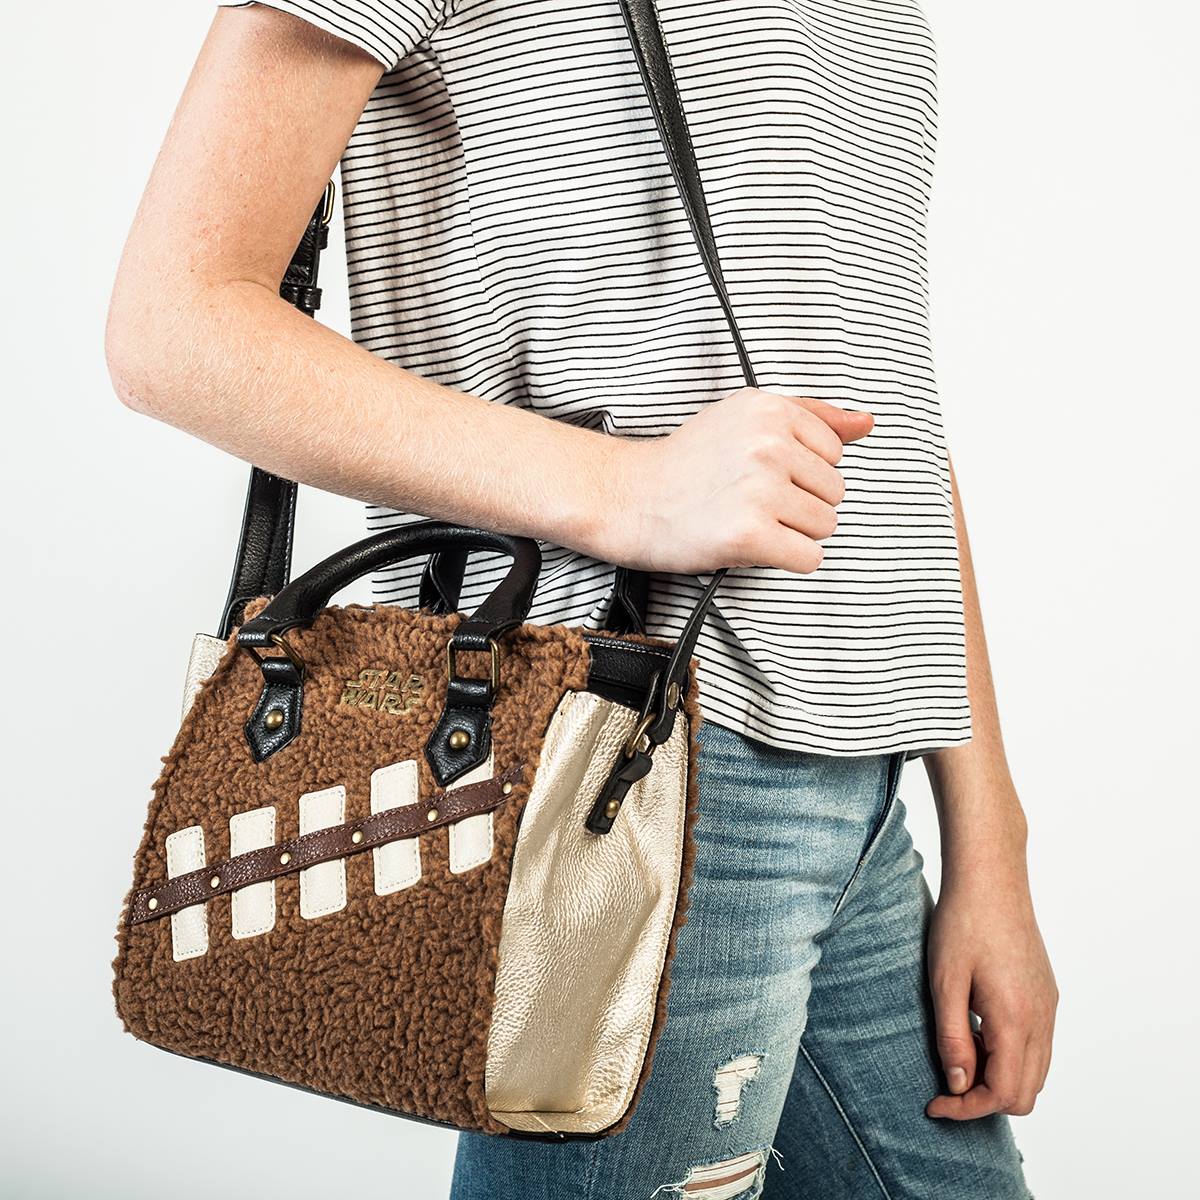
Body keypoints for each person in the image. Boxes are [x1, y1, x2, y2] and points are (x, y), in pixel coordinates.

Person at [105, 2, 1057, 1196]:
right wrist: (626, 490)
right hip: (616, 756)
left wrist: (991, 838)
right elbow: (172, 322)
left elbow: (876, 403)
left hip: (863, 782)